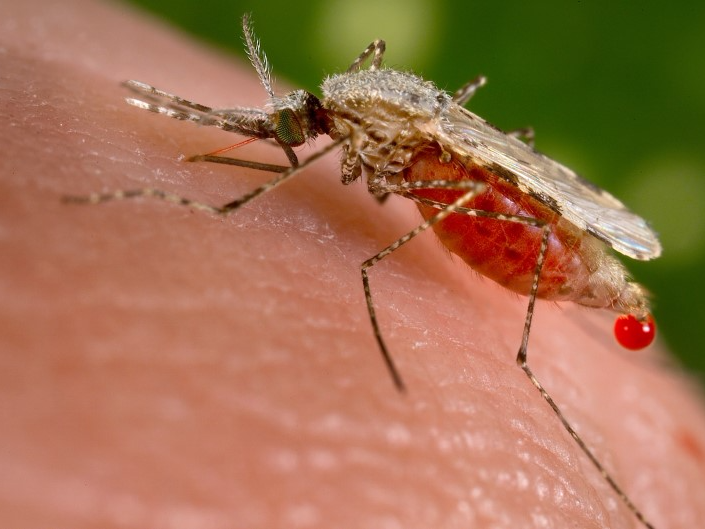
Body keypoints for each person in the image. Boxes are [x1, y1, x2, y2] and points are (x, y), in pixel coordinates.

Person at [2, 0, 704, 527]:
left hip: (500, 207)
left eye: (287, 128)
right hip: (466, 179)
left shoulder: (356, 116)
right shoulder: (345, 109)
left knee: (461, 251)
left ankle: (573, 433)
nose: (286, 134)